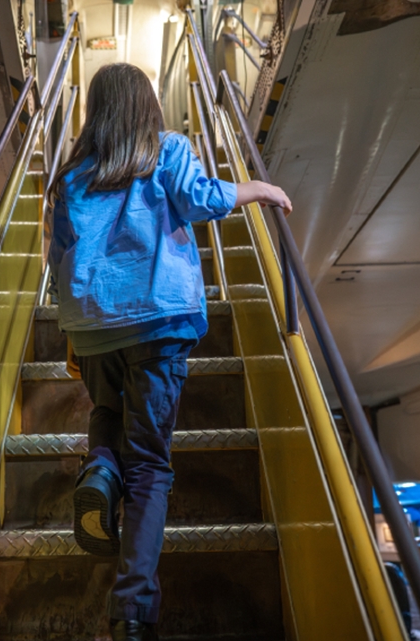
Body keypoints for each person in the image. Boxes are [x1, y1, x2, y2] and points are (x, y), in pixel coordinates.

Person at [46, 63, 291, 641]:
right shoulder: (168, 149)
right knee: (151, 466)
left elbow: (59, 261)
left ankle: (102, 470)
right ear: (147, 105)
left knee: (107, 415)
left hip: (93, 323)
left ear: (96, 112)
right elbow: (200, 199)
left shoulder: (71, 176)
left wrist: (72, 335)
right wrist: (257, 188)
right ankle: (132, 609)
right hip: (159, 320)